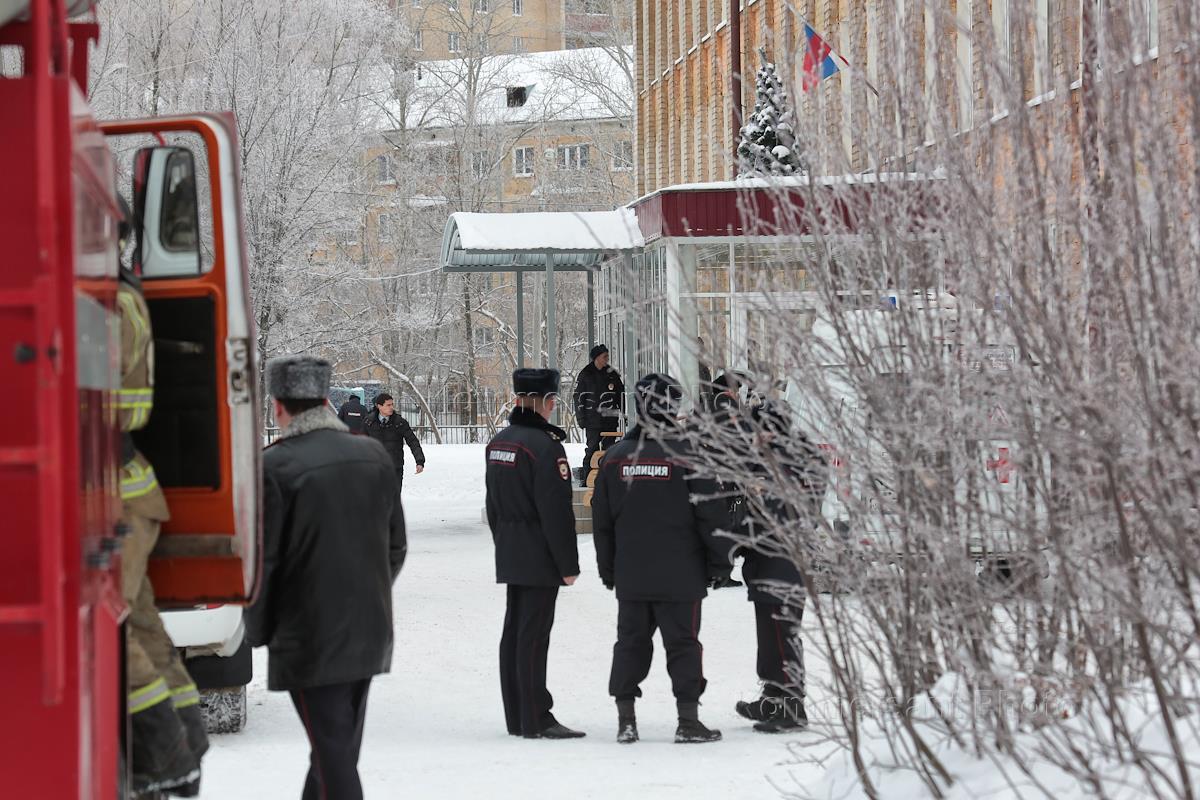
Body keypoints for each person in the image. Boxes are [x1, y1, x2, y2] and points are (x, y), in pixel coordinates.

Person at [246, 355, 407, 800]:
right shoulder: (373, 455)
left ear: (278, 406)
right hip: (368, 629)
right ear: (325, 401)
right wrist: (363, 594)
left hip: (310, 638)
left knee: (333, 755)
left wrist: (259, 630)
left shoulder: (273, 467)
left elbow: (265, 562)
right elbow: (395, 546)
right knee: (334, 750)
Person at [115, 196, 207, 796]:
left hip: (108, 494)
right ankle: (188, 744)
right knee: (140, 623)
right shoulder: (115, 293)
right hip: (125, 488)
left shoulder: (109, 302)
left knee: (108, 630)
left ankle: (166, 757)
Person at [591, 373, 733, 745]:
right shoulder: (689, 456)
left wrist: (609, 570)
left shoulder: (616, 458)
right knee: (684, 644)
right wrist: (720, 565)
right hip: (681, 576)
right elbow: (712, 515)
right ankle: (688, 720)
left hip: (632, 574)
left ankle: (626, 720)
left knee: (630, 643)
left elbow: (602, 522)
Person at [485, 368, 585, 739]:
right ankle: (535, 717)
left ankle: (517, 715)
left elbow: (492, 505)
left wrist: (504, 544)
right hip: (540, 554)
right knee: (533, 635)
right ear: (548, 402)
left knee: (514, 632)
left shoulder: (500, 443)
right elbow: (555, 513)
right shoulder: (544, 447)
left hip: (512, 550)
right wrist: (568, 564)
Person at [730, 401, 826, 733]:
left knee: (782, 637)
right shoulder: (799, 461)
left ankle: (791, 705)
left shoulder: (778, 466)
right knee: (773, 637)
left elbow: (766, 516)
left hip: (777, 561)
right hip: (777, 562)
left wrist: (736, 538)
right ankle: (773, 698)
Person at [573, 344, 624, 486]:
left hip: (610, 419)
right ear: (596, 358)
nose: (607, 359)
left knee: (609, 451)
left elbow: (621, 395)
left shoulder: (612, 374)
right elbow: (578, 397)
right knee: (592, 450)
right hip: (592, 421)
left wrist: (624, 413)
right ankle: (587, 480)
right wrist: (581, 417)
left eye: (607, 356)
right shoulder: (586, 374)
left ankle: (609, 480)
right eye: (604, 357)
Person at [362, 392, 425, 492]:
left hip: (395, 467)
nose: (391, 407)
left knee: (393, 499)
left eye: (392, 404)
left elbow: (413, 442)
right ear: (379, 406)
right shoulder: (369, 422)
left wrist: (419, 461)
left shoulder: (400, 422)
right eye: (388, 405)